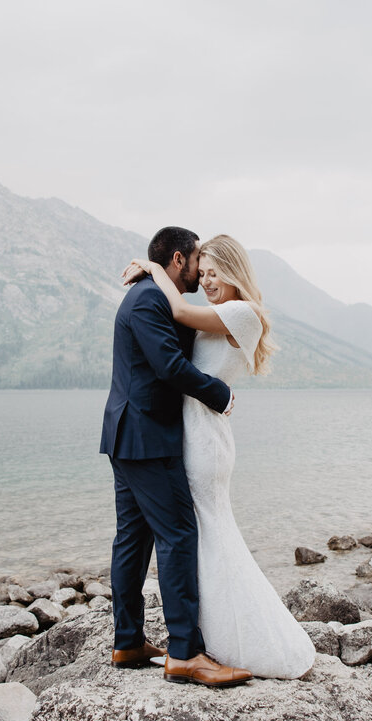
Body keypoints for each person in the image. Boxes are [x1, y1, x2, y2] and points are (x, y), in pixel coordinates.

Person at [122, 234, 316, 679]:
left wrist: (154, 271)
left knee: (201, 535)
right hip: (189, 431)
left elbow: (178, 312)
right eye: (202, 272)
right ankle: (203, 638)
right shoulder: (218, 313)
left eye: (215, 274)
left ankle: (218, 642)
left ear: (234, 275)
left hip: (204, 439)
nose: (207, 281)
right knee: (204, 537)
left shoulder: (243, 313)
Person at [99, 226, 253, 688]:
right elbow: (168, 366)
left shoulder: (153, 293)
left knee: (134, 538)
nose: (200, 275)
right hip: (146, 437)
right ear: (180, 260)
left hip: (131, 436)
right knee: (178, 534)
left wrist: (149, 268)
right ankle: (185, 652)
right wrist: (219, 393)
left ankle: (128, 642)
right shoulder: (148, 300)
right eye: (197, 265)